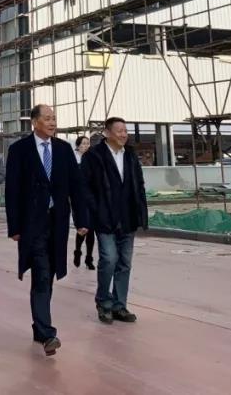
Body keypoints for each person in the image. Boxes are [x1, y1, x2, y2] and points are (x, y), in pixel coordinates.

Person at [5, 104, 88, 357]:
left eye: (54, 118)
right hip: (32, 223)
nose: (52, 123)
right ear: (34, 122)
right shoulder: (19, 150)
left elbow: (76, 186)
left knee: (49, 273)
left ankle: (39, 328)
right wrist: (14, 226)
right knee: (41, 272)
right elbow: (12, 190)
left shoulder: (63, 149)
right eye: (47, 118)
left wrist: (82, 220)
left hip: (58, 221)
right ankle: (48, 332)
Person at [82, 117, 149, 325]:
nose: (123, 134)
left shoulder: (130, 155)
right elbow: (85, 187)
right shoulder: (94, 155)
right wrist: (94, 212)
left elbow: (139, 183)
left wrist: (141, 212)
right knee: (109, 259)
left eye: (125, 131)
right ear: (107, 133)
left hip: (128, 217)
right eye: (119, 131)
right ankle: (104, 303)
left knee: (124, 263)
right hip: (105, 219)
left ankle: (120, 305)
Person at [73, 136, 96, 270]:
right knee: (82, 228)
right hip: (78, 199)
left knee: (91, 230)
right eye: (84, 143)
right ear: (78, 146)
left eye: (88, 143)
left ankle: (89, 258)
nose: (86, 146)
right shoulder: (73, 159)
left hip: (91, 198)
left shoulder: (92, 160)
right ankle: (77, 251)